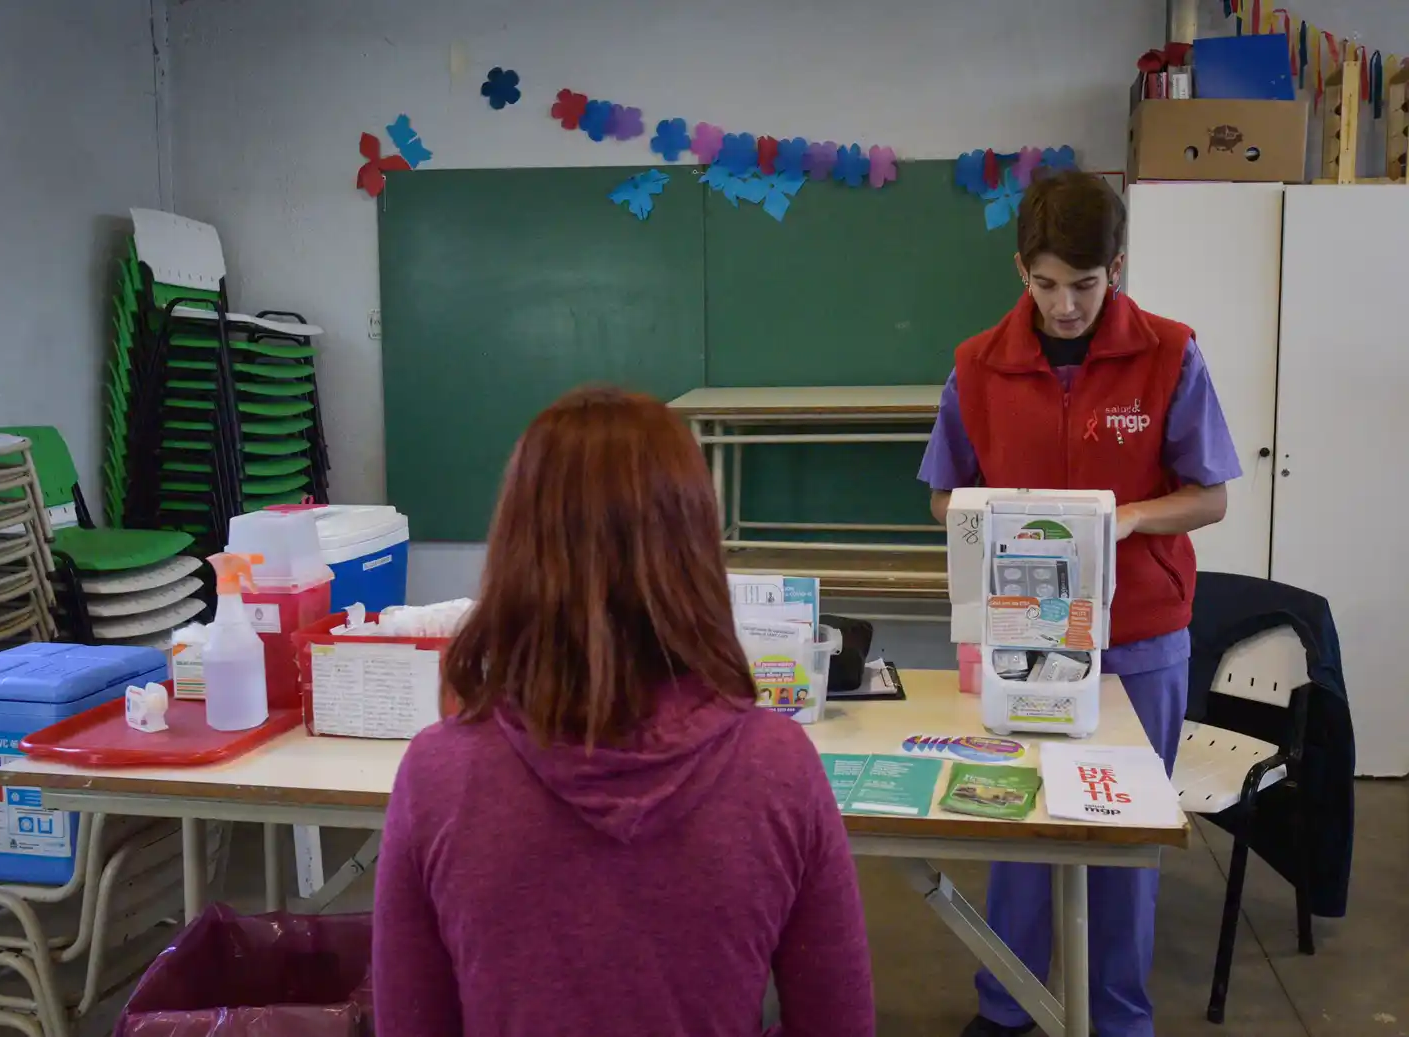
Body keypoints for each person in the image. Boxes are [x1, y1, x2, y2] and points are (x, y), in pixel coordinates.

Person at [373, 387, 875, 1037]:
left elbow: (408, 1022)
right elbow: (839, 1022)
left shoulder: (438, 775)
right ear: (693, 551)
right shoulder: (776, 765)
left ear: (518, 548)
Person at [919, 171, 1241, 1037]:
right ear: (1021, 268)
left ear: (1118, 268)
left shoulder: (1171, 352)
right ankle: (1008, 1007)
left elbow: (1210, 496)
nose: (1065, 306)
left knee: (1123, 844)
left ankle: (1117, 1016)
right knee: (1019, 826)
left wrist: (1122, 517)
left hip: (1139, 634)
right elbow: (946, 497)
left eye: (1086, 286)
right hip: (1021, 631)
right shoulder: (976, 364)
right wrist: (1009, 520)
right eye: (1047, 283)